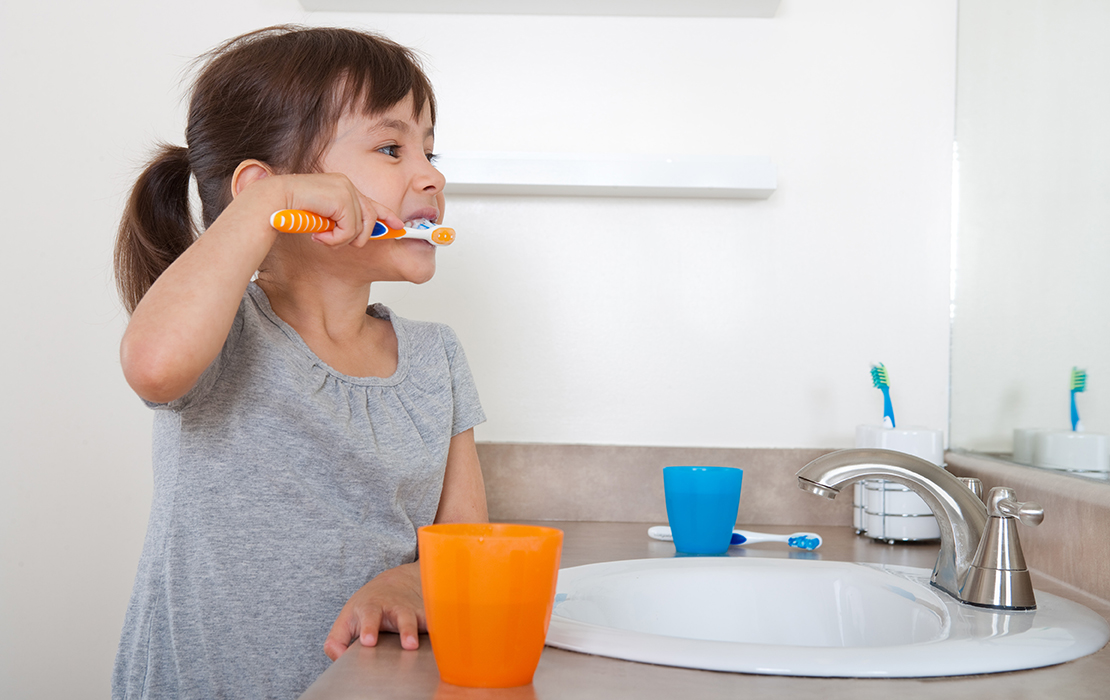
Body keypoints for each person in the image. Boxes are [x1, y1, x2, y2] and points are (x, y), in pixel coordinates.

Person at [111, 25, 487, 699]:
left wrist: (410, 580)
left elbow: (465, 542)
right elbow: (152, 364)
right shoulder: (223, 334)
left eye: (430, 150)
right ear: (272, 191)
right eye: (391, 147)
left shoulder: (438, 359)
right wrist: (266, 206)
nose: (431, 175)